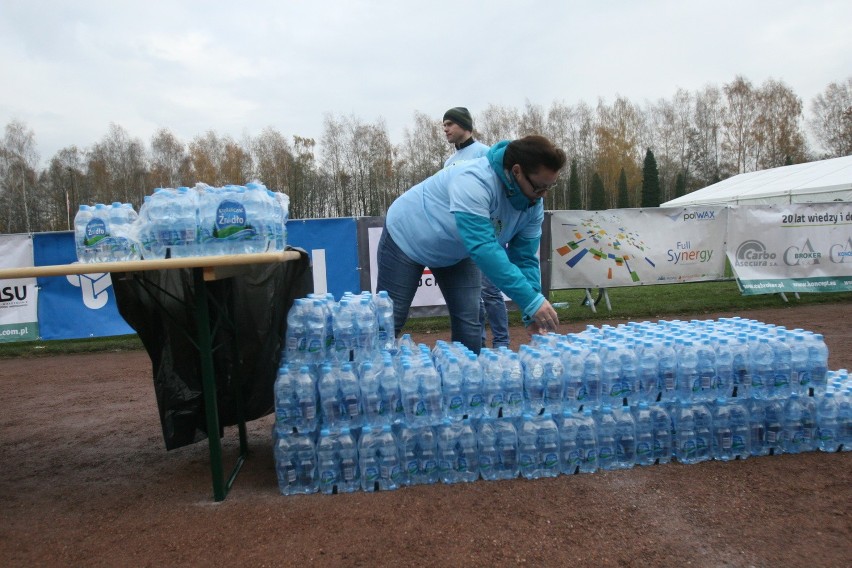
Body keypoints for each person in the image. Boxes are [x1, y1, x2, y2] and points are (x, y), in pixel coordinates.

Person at [377, 135, 565, 354]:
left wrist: (530, 311)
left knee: (470, 322)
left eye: (549, 188)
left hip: (456, 249)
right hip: (407, 235)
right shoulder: (474, 181)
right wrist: (532, 301)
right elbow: (484, 249)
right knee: (390, 320)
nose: (542, 196)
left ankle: (468, 382)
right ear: (516, 171)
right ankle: (368, 377)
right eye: (539, 188)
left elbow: (524, 257)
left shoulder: (534, 204)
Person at [442, 107, 510, 349]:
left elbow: (497, 193)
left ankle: (501, 344)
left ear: (465, 125)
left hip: (483, 234)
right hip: (459, 239)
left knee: (490, 293)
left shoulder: (485, 153)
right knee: (473, 299)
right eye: (444, 124)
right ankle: (477, 344)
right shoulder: (449, 161)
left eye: (450, 123)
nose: (445, 129)